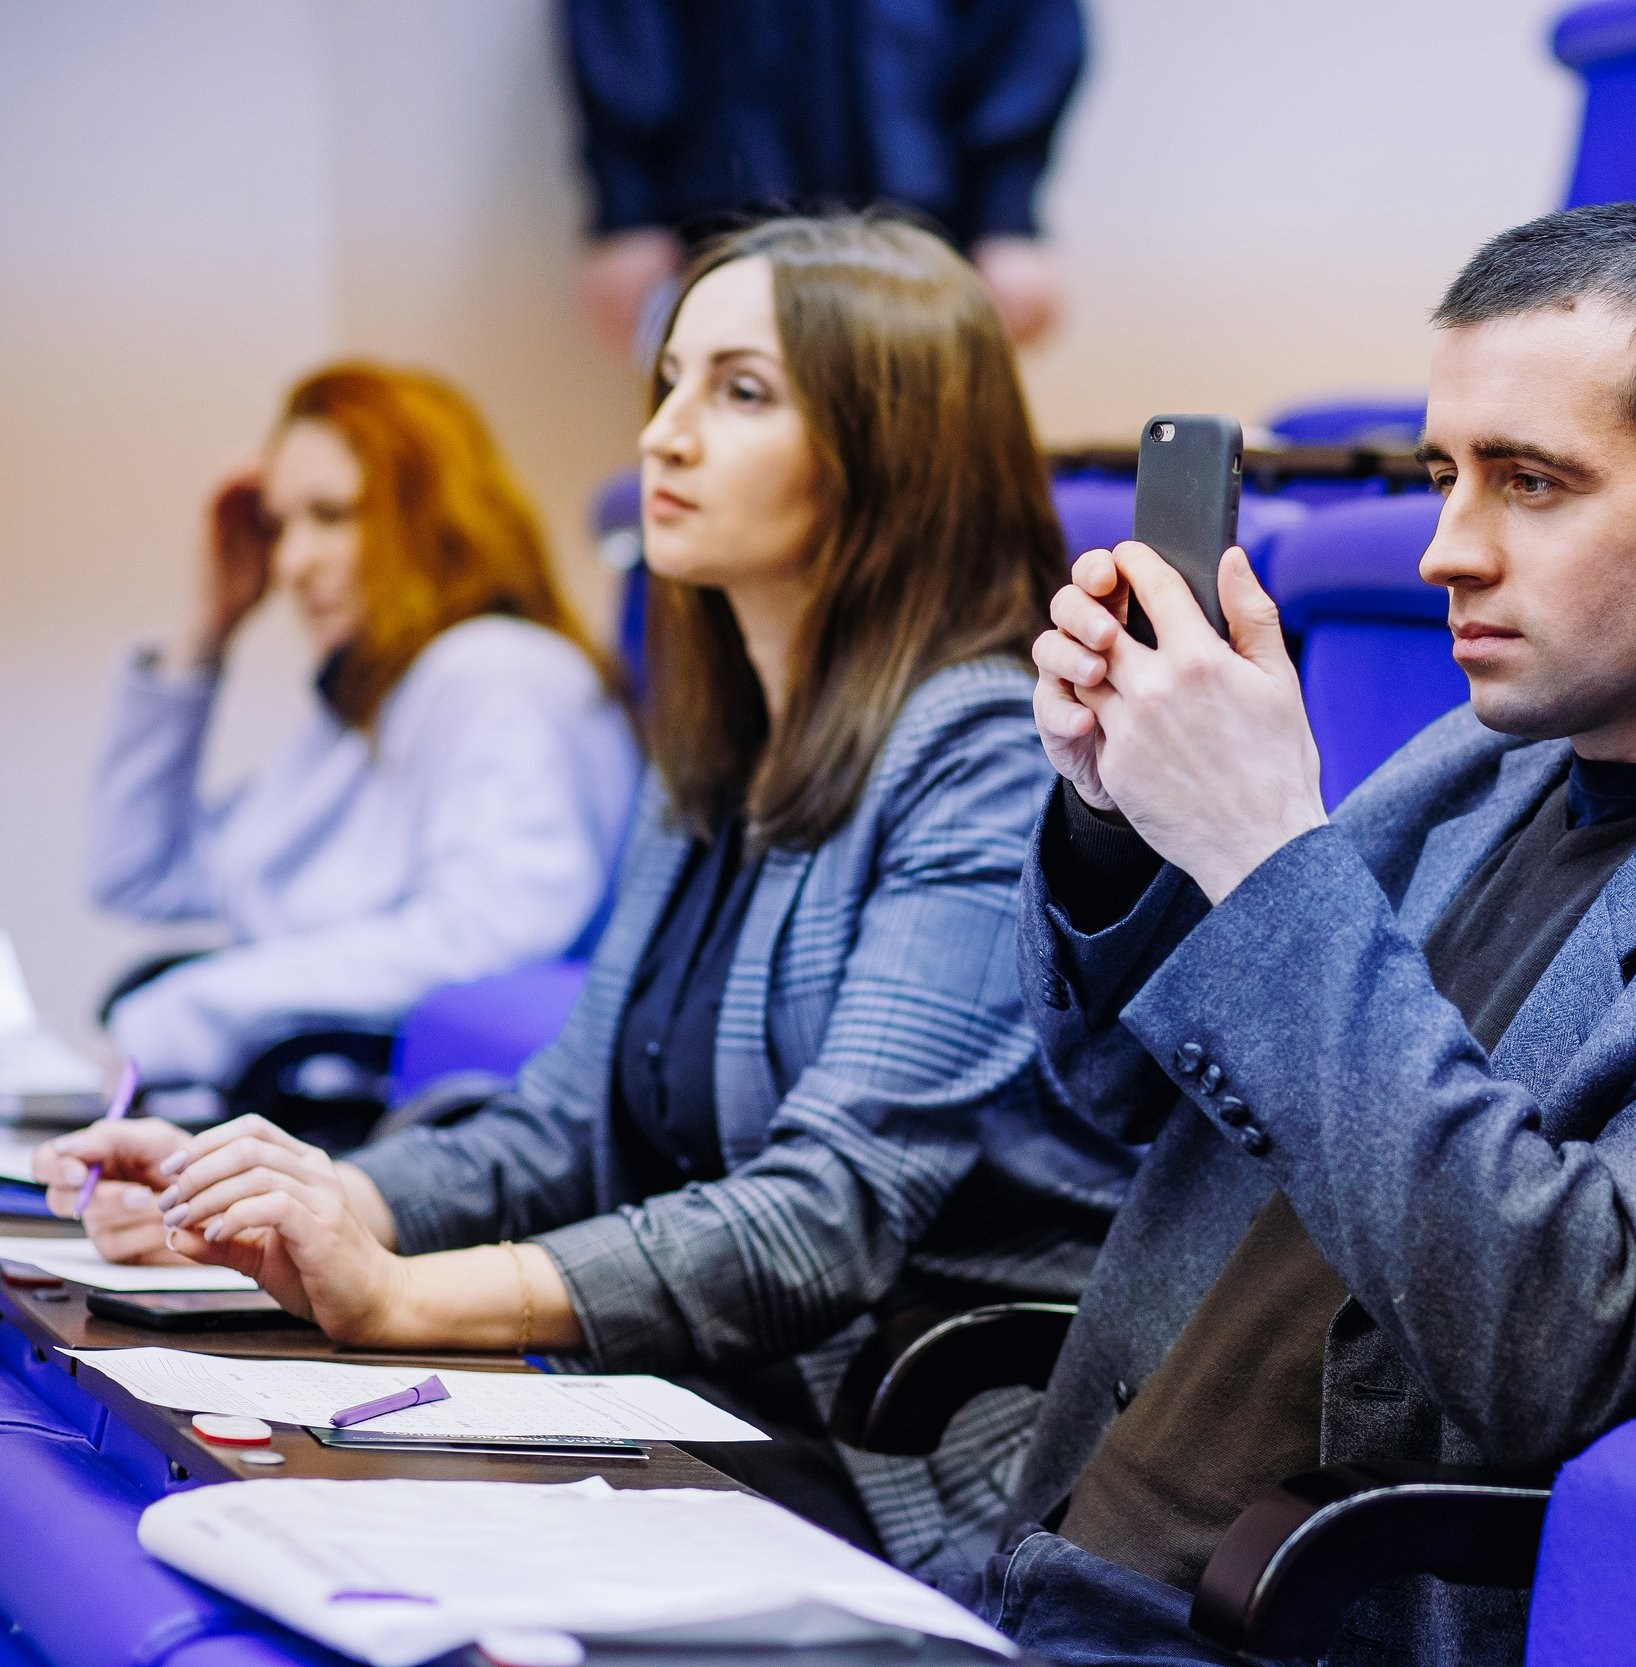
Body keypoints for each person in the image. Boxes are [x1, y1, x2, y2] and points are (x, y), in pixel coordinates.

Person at [984, 200, 1636, 1664]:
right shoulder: (1486, 759)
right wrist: (1116, 820)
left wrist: (1266, 851)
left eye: (1531, 481)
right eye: (1443, 475)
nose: (1445, 552)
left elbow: (1561, 1341)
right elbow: (1111, 1100)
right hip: (1050, 1564)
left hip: (1275, 1627)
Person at [42, 214, 1137, 1584]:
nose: (664, 436)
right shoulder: (719, 751)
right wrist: (298, 1196)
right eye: (667, 381)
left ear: (891, 447)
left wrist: (400, 1294)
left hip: (914, 1468)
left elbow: (823, 1212)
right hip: (711, 1394)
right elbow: (559, 1123)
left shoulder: (985, 756)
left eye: (738, 393)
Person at [89, 364, 639, 1095]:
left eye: (331, 515)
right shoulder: (380, 692)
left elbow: (491, 935)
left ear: (433, 511)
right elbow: (138, 872)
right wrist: (205, 631)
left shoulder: (499, 675)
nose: (290, 563)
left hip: (385, 1142)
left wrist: (192, 1008)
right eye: (279, 526)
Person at [565, 0, 1086, 357]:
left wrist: (1006, 210)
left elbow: (1028, 22)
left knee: (919, 459)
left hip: (928, 214)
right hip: (716, 211)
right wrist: (627, 205)